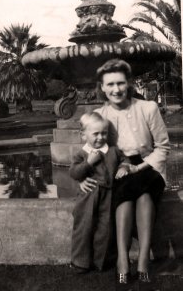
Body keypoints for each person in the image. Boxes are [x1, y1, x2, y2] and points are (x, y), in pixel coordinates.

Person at [80, 59, 170, 284]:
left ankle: (139, 261)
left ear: (129, 83)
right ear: (102, 87)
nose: (116, 89)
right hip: (118, 169)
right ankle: (125, 259)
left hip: (148, 166)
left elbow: (163, 147)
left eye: (120, 83)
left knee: (142, 190)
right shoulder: (99, 115)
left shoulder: (147, 107)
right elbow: (90, 150)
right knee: (134, 195)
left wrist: (139, 167)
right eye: (110, 85)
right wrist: (84, 178)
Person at [69, 112, 124, 273]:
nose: (100, 137)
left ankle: (101, 262)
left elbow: (124, 160)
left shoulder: (113, 151)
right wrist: (88, 164)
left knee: (104, 229)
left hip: (108, 196)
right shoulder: (81, 154)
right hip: (88, 197)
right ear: (83, 135)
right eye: (95, 134)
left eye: (104, 133)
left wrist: (124, 167)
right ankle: (80, 262)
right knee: (83, 228)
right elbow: (74, 173)